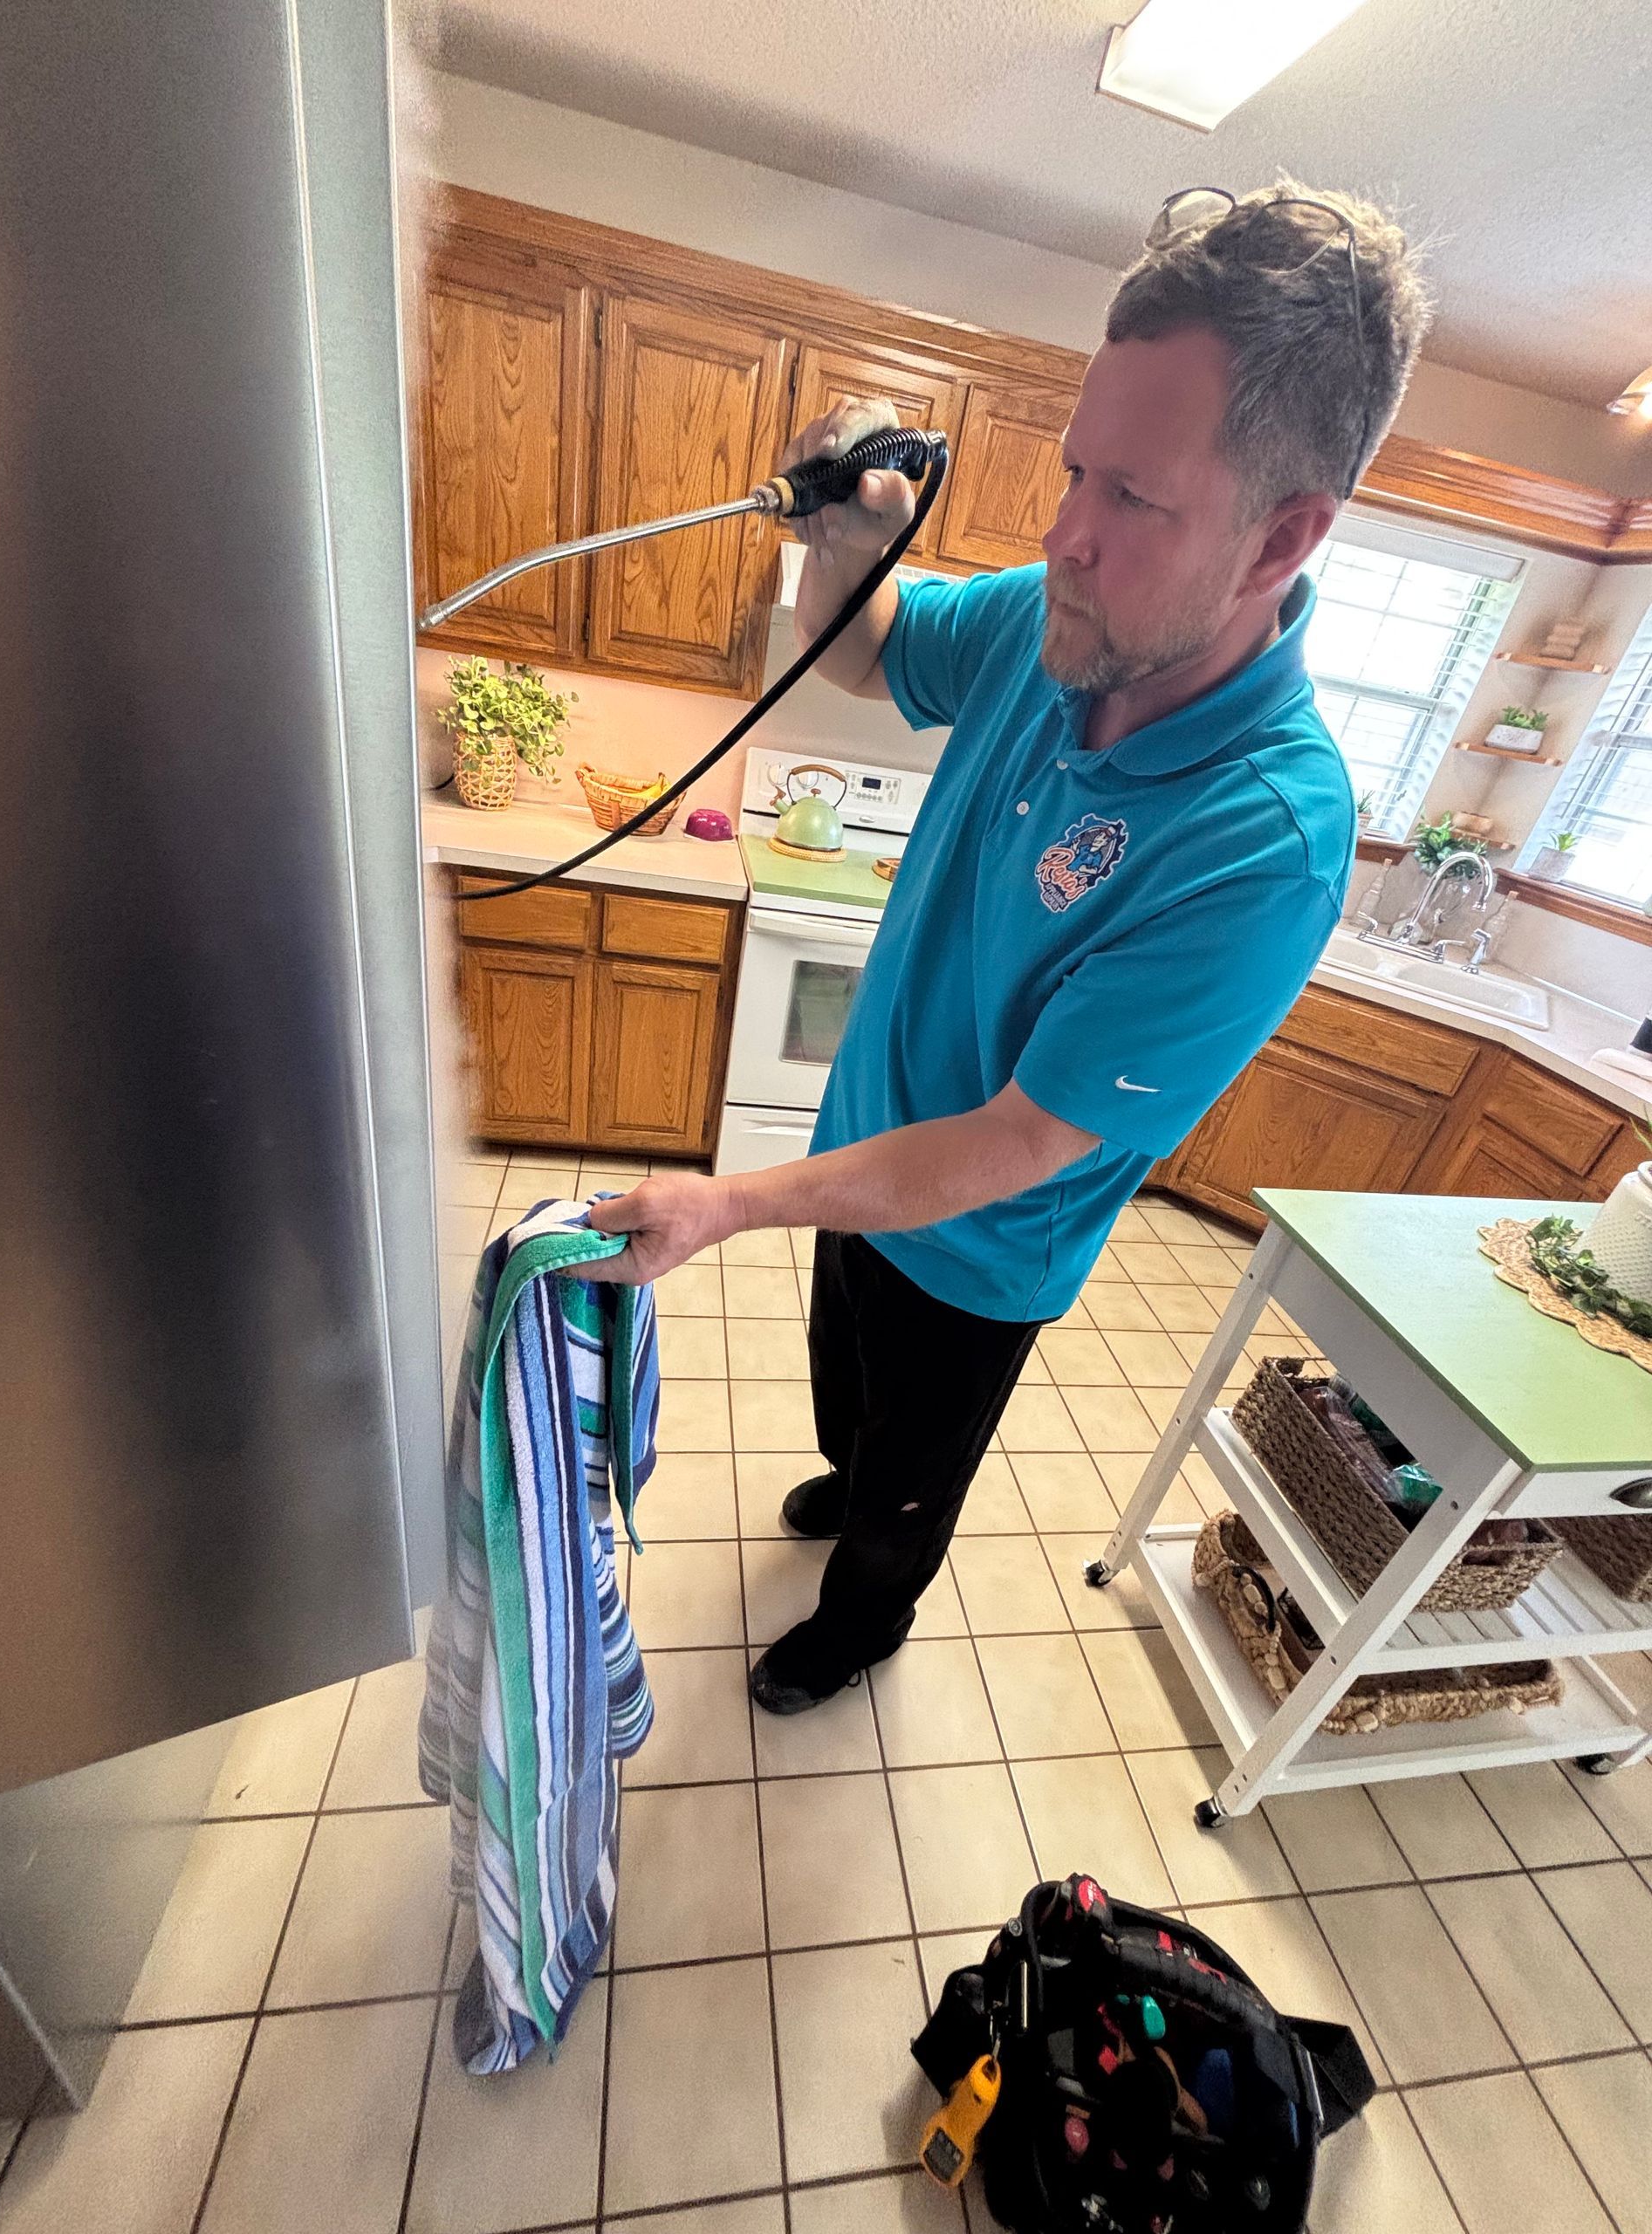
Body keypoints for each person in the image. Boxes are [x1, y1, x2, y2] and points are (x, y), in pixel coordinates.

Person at [590, 178, 1432, 1715]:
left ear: (1282, 538)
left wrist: (729, 1202)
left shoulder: (1264, 840)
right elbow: (867, 653)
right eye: (1073, 474)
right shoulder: (1065, 629)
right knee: (846, 1403)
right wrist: (853, 540)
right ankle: (850, 1484)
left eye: (1133, 499)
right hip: (859, 1163)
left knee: (915, 1473)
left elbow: (1016, 1143)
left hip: (979, 1248)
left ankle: (867, 1619)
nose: (1064, 539)